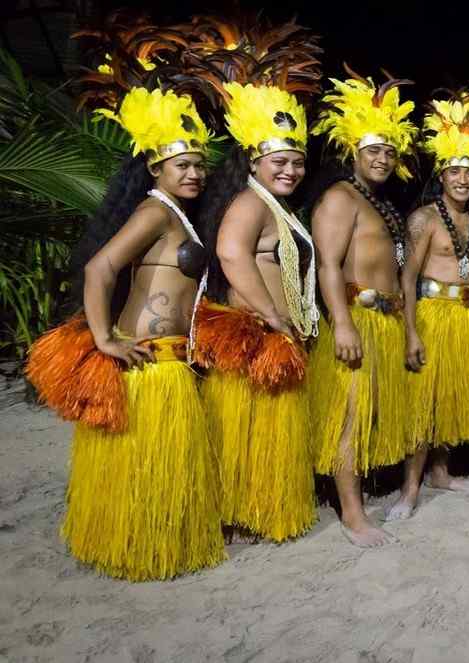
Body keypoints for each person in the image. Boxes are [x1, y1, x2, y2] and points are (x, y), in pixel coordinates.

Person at [26, 85, 225, 580]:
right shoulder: (155, 211)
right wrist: (103, 339)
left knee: (161, 463)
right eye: (183, 165)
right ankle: (140, 550)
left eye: (199, 164)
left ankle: (151, 545)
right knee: (147, 463)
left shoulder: (177, 214)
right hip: (148, 360)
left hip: (172, 360)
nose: (195, 173)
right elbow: (99, 270)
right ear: (155, 168)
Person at [193, 58, 323, 542]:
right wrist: (270, 314)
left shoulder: (276, 205)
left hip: (276, 335)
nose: (290, 170)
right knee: (250, 432)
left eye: (297, 162)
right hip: (256, 334)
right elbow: (230, 252)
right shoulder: (250, 203)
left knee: (267, 433)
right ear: (253, 161)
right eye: (280, 163)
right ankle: (243, 515)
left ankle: (258, 513)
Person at [307, 71, 418, 546]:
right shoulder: (340, 197)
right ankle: (353, 516)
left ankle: (364, 498)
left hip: (388, 321)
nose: (383, 158)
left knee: (376, 413)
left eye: (390, 152)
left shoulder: (380, 203)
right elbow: (328, 265)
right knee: (349, 417)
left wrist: (408, 329)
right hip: (358, 320)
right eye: (374, 150)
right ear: (354, 151)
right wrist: (344, 323)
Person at [389, 89, 469, 520]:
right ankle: (409, 488)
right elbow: (407, 277)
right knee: (425, 403)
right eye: (455, 172)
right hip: (434, 314)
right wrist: (411, 331)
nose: (462, 180)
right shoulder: (424, 219)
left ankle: (440, 471)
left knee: (452, 397)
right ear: (442, 175)